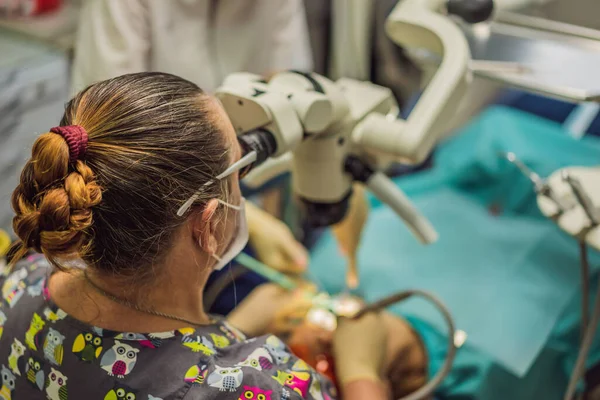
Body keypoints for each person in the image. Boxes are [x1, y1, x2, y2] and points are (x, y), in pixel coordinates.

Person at [0, 72, 392, 399]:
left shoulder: (18, 284)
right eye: (237, 173)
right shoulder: (262, 385)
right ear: (207, 224)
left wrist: (235, 328)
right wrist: (363, 370)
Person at [70, 0, 314, 287]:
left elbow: (288, 89)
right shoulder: (123, 7)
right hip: (146, 183)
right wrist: (246, 219)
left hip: (227, 183)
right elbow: (119, 147)